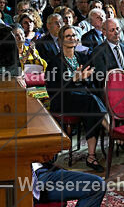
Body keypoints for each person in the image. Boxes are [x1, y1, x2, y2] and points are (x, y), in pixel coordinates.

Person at [44, 25, 109, 172]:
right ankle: (112, 129)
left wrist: (85, 77)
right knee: (91, 101)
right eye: (68, 36)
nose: (72, 38)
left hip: (83, 97)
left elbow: (90, 81)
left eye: (74, 35)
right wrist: (73, 79)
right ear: (61, 41)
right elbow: (53, 90)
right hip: (63, 99)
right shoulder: (54, 62)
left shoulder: (81, 57)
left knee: (91, 103)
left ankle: (91, 156)